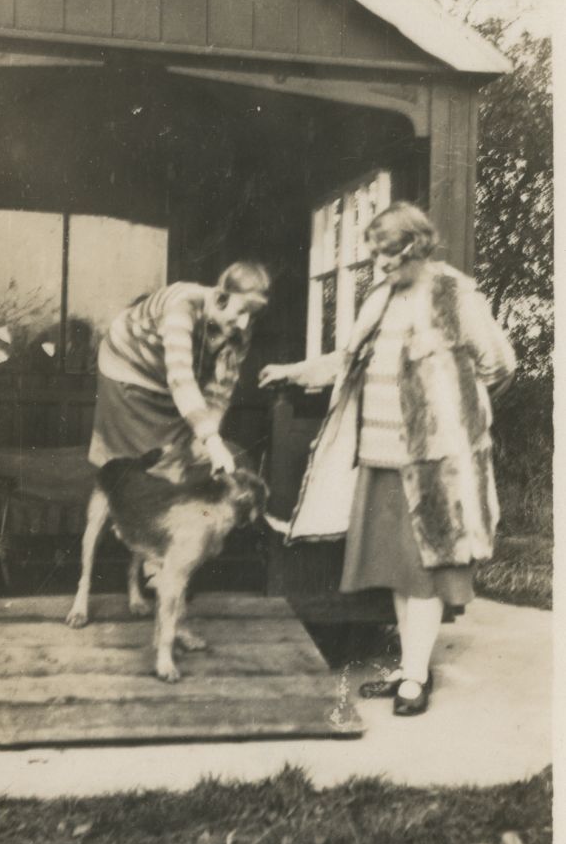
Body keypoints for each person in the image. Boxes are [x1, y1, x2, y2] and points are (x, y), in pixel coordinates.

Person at [259, 202, 515, 716]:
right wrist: (293, 370)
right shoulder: (381, 297)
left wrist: (457, 415)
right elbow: (348, 360)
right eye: (375, 255)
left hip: (434, 462)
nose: (380, 265)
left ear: (417, 246)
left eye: (388, 255)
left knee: (425, 568)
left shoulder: (455, 294)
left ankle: (416, 677)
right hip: (380, 456)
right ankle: (409, 668)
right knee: (400, 570)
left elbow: (499, 364)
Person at [89, 261, 271, 481]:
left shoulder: (241, 330)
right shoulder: (183, 305)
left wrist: (206, 437)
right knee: (138, 465)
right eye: (241, 311)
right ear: (222, 297)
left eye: (253, 315)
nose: (244, 323)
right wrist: (213, 442)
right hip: (128, 366)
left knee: (177, 459)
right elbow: (180, 379)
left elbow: (219, 392)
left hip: (169, 381)